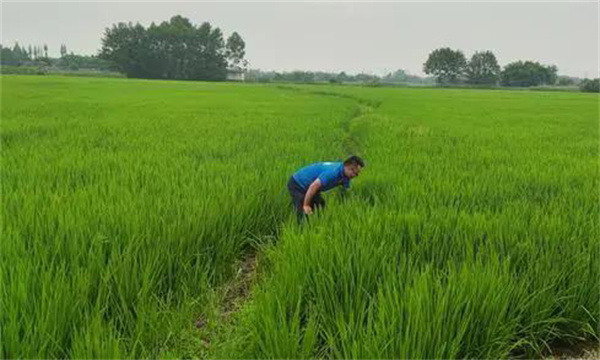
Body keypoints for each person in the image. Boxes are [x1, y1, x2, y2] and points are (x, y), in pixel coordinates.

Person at [287, 155, 364, 222]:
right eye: (353, 171)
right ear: (346, 165)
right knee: (303, 211)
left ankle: (315, 223)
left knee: (320, 205)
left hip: (311, 186)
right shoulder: (333, 172)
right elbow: (314, 186)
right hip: (298, 183)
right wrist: (306, 205)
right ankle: (301, 230)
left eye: (357, 173)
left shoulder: (346, 176)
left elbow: (346, 190)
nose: (354, 175)